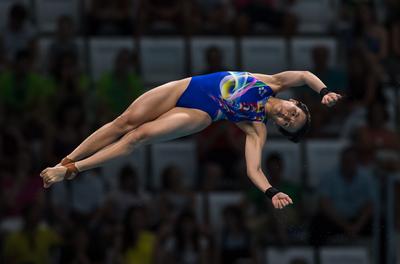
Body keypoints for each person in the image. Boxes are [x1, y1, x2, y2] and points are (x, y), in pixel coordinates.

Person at [41, 71, 342, 209]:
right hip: (186, 86)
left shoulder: (256, 126)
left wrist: (270, 191)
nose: (288, 118)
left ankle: (73, 170)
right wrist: (324, 91)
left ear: (280, 128)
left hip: (200, 112)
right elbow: (304, 74)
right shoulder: (272, 82)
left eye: (289, 125)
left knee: (139, 135)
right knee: (124, 121)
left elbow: (254, 169)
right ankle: (64, 161)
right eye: (294, 114)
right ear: (295, 103)